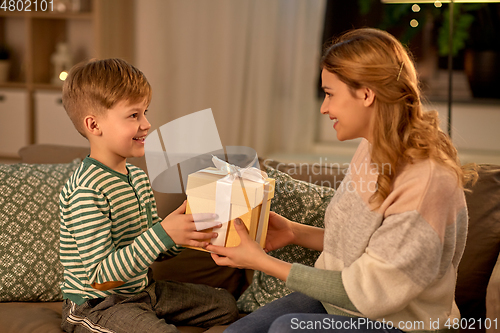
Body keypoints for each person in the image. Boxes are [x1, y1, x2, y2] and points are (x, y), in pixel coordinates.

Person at [207, 28, 477, 333]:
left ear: (365, 94)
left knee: (286, 330)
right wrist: (294, 232)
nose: (324, 107)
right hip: (343, 308)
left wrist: (262, 262)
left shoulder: (426, 181)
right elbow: (361, 249)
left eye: (330, 93)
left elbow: (371, 293)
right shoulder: (373, 147)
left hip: (404, 325)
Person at [59, 58, 239, 333]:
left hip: (143, 291)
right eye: (134, 115)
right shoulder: (87, 189)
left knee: (225, 304)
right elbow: (100, 277)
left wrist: (190, 229)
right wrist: (163, 233)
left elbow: (155, 248)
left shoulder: (138, 178)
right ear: (94, 125)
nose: (147, 124)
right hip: (98, 303)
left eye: (145, 112)